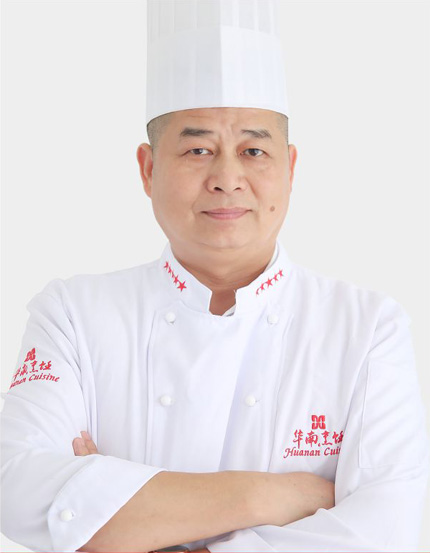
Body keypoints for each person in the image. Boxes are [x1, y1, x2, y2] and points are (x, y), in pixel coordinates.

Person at [2, 1, 429, 552]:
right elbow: (16, 490)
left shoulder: (367, 328)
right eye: (198, 149)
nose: (227, 178)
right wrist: (270, 496)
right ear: (148, 169)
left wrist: (116, 511)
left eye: (254, 150)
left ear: (290, 168)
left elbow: (387, 531)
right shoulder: (73, 314)